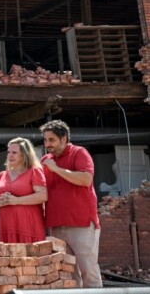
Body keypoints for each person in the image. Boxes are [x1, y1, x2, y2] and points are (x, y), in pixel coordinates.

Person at [40, 120, 102, 288]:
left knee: (88, 271)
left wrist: (56, 170)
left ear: (64, 138)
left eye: (51, 140)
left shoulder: (79, 153)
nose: (47, 144)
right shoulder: (46, 160)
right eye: (45, 140)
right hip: (56, 226)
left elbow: (86, 179)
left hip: (81, 224)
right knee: (68, 275)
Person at [0, 137, 47, 243]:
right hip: (7, 226)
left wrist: (16, 201)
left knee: (30, 257)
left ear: (24, 154)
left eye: (14, 152)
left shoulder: (34, 171)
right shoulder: (2, 175)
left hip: (28, 226)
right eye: (8, 152)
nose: (10, 155)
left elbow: (42, 196)